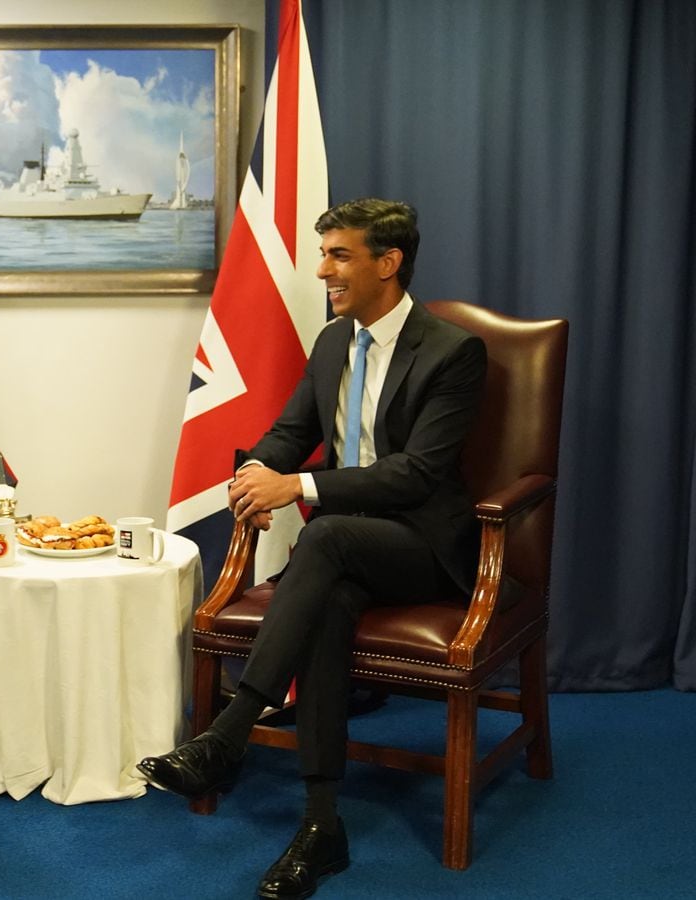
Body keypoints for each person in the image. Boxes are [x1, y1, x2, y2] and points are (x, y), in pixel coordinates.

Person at [138, 199, 487, 899]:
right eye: (323, 252)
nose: (321, 268)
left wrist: (293, 487)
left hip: (424, 546)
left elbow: (417, 472)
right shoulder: (333, 342)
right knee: (328, 594)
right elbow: (287, 434)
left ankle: (231, 731)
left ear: (388, 264)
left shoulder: (453, 352)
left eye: (338, 255)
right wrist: (253, 478)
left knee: (323, 537)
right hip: (344, 550)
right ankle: (322, 826)